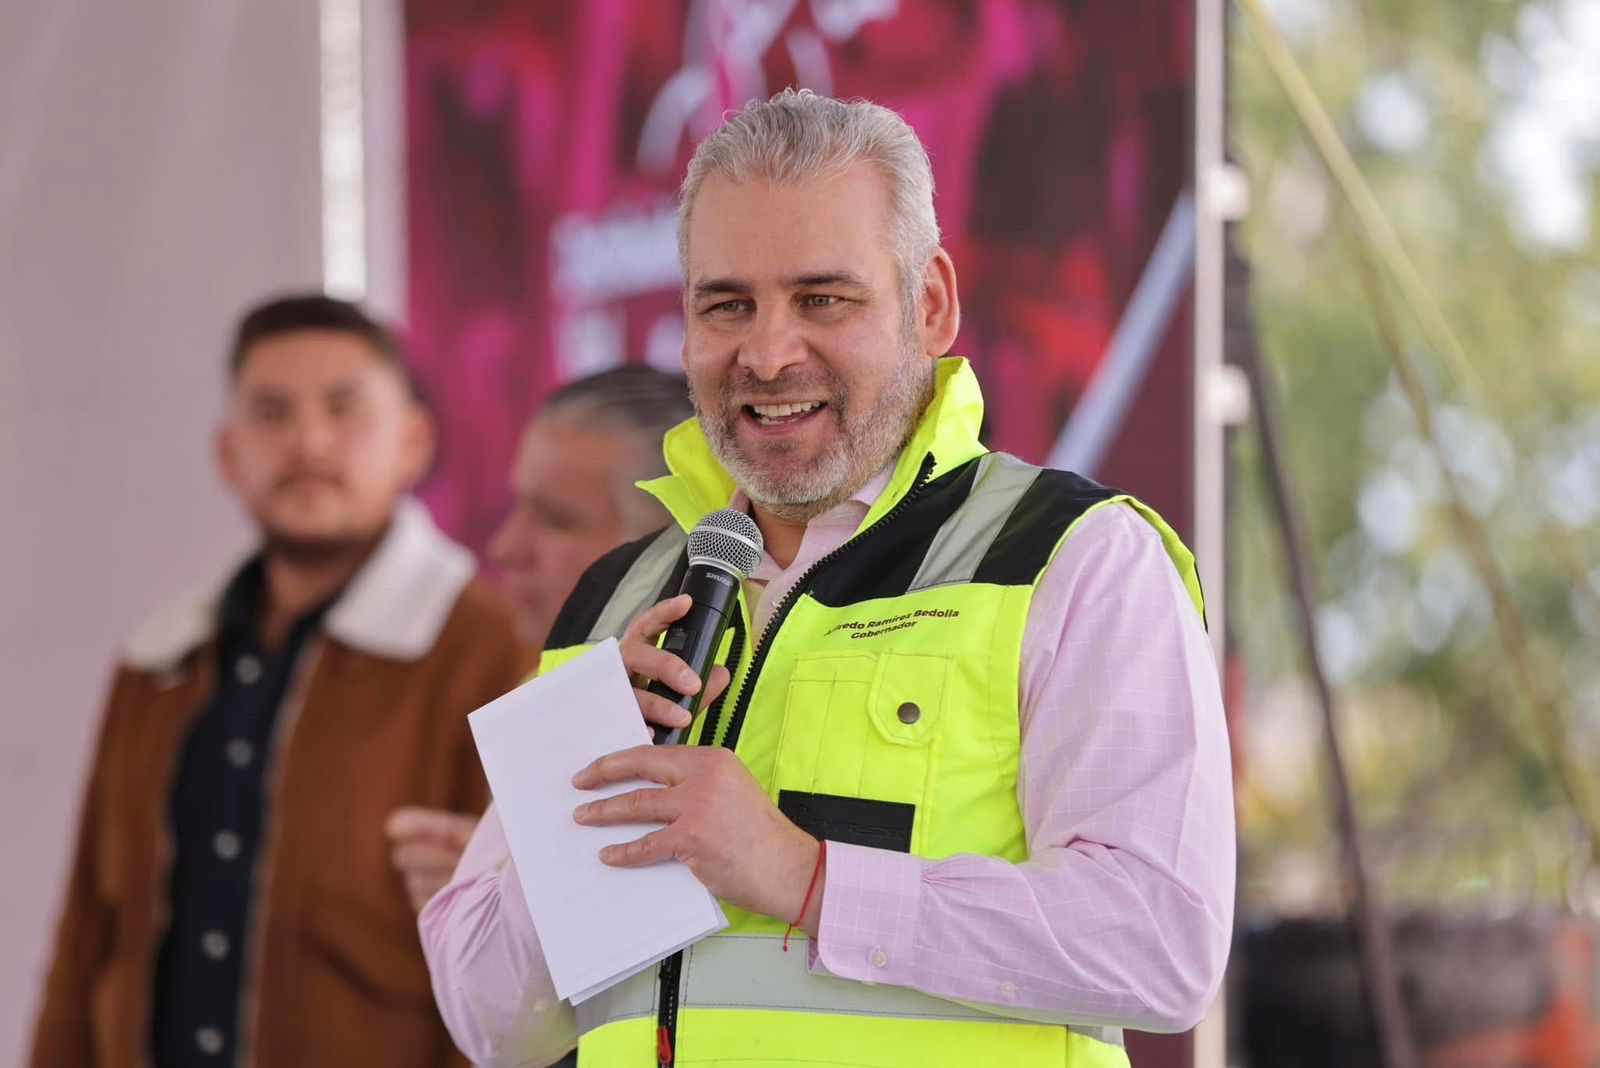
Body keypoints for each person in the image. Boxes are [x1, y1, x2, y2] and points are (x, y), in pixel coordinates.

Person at [420, 89, 1235, 1068]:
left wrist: (808, 880)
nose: (767, 355)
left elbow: (1160, 945)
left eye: (822, 299)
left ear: (929, 305)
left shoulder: (1075, 557)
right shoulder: (616, 598)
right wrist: (582, 771)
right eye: (727, 305)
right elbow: (493, 1023)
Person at [29, 295, 527, 1068]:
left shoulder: (489, 651)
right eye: (272, 412)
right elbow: (85, 941)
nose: (308, 441)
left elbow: (512, 982)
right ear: (228, 454)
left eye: (342, 408)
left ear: (413, 442)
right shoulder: (159, 663)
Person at [385, 366, 693, 914]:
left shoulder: (693, 711)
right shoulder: (541, 683)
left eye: (556, 520)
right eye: (517, 508)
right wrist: (500, 873)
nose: (505, 547)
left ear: (667, 543)